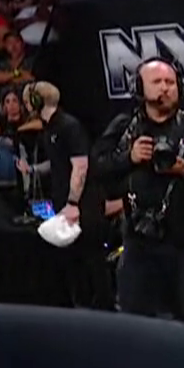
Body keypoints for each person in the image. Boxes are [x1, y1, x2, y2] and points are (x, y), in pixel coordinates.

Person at [92, 58, 184, 325]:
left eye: (170, 82)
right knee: (134, 323)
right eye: (157, 82)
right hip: (139, 244)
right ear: (139, 87)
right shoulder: (125, 127)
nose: (165, 88)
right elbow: (96, 167)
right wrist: (128, 158)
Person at [23, 82, 109, 311]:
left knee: (92, 261)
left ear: (37, 101)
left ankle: (103, 310)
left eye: (27, 101)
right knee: (74, 263)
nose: (26, 106)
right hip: (65, 204)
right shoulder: (49, 129)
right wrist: (33, 170)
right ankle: (80, 308)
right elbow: (57, 162)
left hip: (83, 205)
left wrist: (72, 203)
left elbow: (80, 166)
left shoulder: (68, 126)